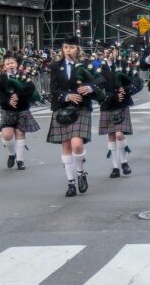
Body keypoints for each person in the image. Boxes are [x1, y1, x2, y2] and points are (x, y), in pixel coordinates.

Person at [47, 36, 101, 197]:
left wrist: (90, 88)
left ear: (78, 49)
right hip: (62, 107)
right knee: (66, 146)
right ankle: (71, 182)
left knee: (77, 144)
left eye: (71, 47)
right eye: (65, 47)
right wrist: (66, 96)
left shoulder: (86, 65)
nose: (68, 50)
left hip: (81, 107)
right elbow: (53, 88)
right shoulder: (56, 66)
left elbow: (100, 81)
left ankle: (80, 172)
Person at [99, 45, 143, 178]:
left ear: (116, 51)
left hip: (122, 104)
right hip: (107, 104)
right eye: (106, 50)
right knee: (111, 136)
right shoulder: (99, 68)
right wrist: (112, 96)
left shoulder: (124, 65)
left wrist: (127, 89)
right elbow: (96, 88)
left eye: (112, 50)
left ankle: (124, 161)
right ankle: (115, 167)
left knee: (119, 135)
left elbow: (137, 81)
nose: (109, 52)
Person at [0, 54, 41, 171]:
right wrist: (8, 100)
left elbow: (30, 88)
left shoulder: (23, 76)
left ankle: (20, 160)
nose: (10, 65)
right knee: (7, 135)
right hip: (8, 109)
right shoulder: (1, 79)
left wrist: (18, 95)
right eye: (7, 64)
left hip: (22, 108)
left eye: (12, 63)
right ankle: (12, 154)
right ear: (4, 66)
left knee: (20, 133)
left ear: (16, 64)